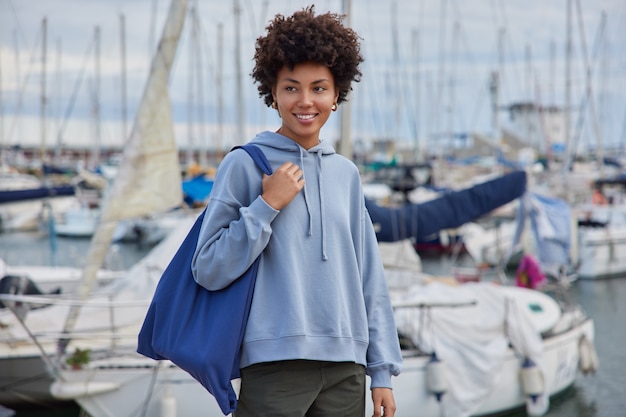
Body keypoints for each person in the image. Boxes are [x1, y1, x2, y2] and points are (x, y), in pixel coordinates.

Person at [192, 5, 402, 417]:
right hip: (274, 366)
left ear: (337, 95)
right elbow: (208, 267)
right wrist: (266, 205)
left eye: (319, 88)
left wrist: (381, 371)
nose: (305, 101)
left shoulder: (346, 173)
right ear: (272, 92)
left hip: (347, 367)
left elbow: (369, 278)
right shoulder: (244, 165)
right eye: (291, 88)